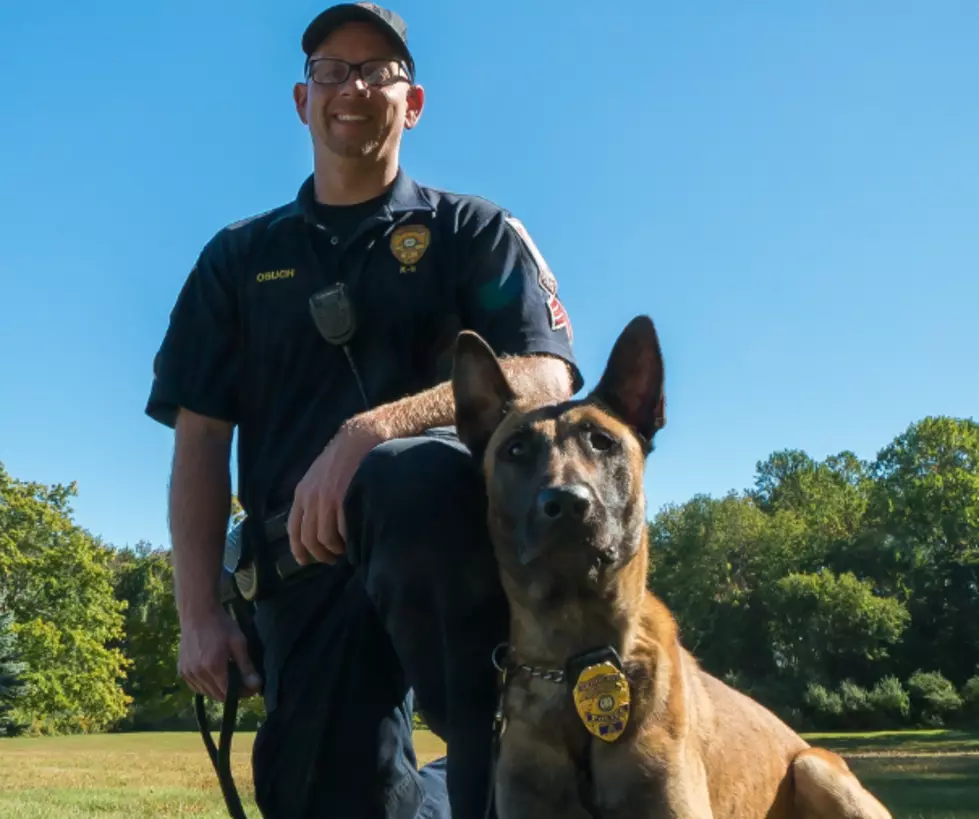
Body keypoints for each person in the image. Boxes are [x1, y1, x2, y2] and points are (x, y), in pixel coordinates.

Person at [145, 3, 583, 818]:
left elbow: (546, 374)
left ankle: (485, 745)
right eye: (330, 70)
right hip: (301, 571)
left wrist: (373, 427)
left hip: (449, 549)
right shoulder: (238, 259)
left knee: (402, 472)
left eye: (376, 71)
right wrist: (198, 615)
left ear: (411, 102)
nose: (352, 86)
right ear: (301, 100)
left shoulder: (473, 230)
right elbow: (199, 443)